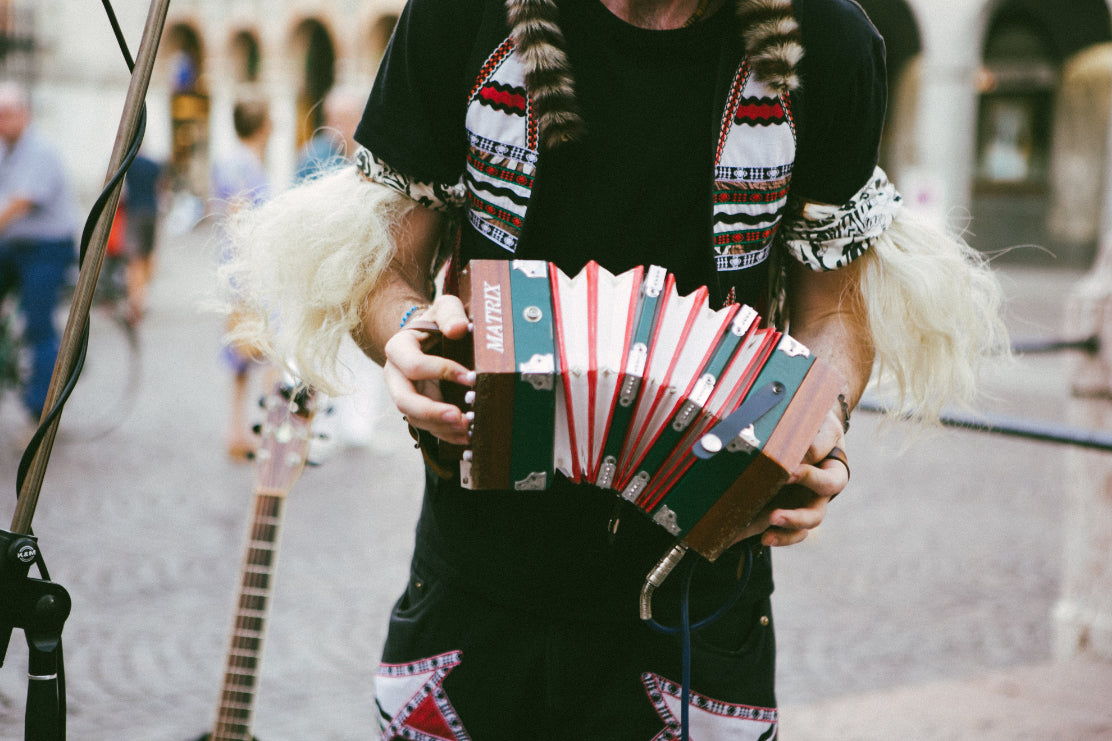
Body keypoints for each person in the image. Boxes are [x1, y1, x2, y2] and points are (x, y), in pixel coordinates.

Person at [223, 0, 1008, 737]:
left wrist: (817, 420)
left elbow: (836, 306)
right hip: (474, 588)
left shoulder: (829, 41)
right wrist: (406, 335)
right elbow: (387, 264)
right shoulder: (463, 12)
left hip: (701, 604)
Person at [0, 80, 78, 422]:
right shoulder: (5, 150)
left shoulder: (40, 151)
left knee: (38, 325)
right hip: (15, 245)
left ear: (24, 114)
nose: (2, 121)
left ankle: (42, 412)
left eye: (7, 114)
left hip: (47, 247)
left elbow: (18, 203)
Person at [211, 98, 273, 460]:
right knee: (267, 351)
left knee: (243, 358)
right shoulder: (243, 163)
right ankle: (264, 432)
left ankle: (238, 430)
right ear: (262, 125)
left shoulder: (230, 159)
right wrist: (249, 278)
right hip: (249, 273)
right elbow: (238, 216)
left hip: (237, 270)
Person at [121, 148, 165, 324]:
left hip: (135, 212)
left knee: (135, 259)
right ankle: (143, 296)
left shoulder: (127, 164)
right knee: (148, 256)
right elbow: (160, 187)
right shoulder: (154, 165)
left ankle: (136, 299)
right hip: (152, 211)